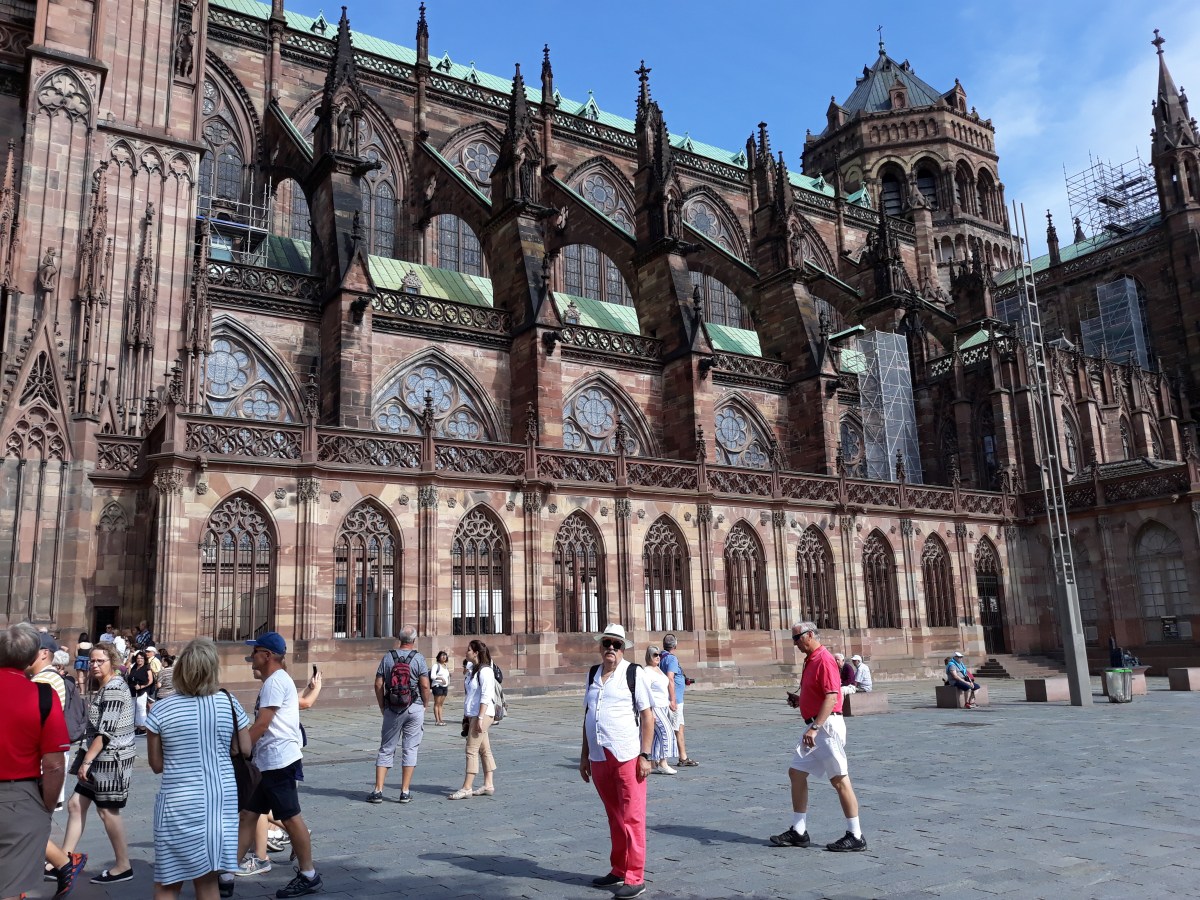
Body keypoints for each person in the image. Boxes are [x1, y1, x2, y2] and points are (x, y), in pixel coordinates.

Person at [146, 638, 252, 900]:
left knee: (168, 884)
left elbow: (156, 765)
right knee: (207, 881)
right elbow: (246, 748)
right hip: (218, 802)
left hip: (179, 802)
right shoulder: (228, 702)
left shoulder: (161, 709)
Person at [236, 631, 322, 897]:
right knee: (249, 814)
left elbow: (262, 724)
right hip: (267, 761)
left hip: (278, 760)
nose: (251, 656)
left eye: (255, 652)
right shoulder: (277, 680)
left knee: (291, 817)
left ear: (267, 655)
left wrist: (240, 750)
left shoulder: (275, 682)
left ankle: (309, 875)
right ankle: (226, 871)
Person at [770, 621, 867, 853]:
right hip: (816, 726)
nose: (795, 643)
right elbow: (819, 694)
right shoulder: (810, 659)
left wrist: (815, 727)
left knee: (839, 779)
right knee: (796, 772)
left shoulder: (824, 659)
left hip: (825, 727)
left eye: (797, 638)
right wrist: (801, 701)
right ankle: (799, 830)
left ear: (810, 635)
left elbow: (832, 696)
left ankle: (856, 835)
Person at [580, 624, 655, 900]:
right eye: (607, 643)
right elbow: (588, 715)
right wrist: (584, 755)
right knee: (614, 815)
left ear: (623, 648)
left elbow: (647, 716)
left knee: (632, 816)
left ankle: (635, 877)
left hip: (627, 755)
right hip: (599, 755)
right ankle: (619, 868)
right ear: (600, 646)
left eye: (617, 644)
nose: (611, 648)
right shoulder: (593, 673)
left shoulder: (634, 673)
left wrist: (645, 755)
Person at [0, 623, 70, 900]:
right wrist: (46, 808)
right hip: (18, 797)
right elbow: (54, 765)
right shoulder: (43, 696)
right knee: (10, 888)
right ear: (32, 658)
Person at [62, 641, 137, 883]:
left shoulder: (114, 688)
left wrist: (86, 761)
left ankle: (123, 866)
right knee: (76, 804)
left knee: (107, 811)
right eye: (92, 661)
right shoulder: (106, 685)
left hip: (111, 760)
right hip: (99, 758)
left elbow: (106, 732)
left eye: (100, 661)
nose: (94, 665)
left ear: (112, 662)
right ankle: (63, 861)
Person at [367, 625, 431, 805]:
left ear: (399, 638)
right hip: (414, 706)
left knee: (386, 748)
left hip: (393, 708)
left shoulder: (388, 657)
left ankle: (378, 791)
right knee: (410, 748)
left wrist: (382, 705)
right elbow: (425, 685)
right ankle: (405, 791)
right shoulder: (419, 658)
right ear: (414, 640)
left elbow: (378, 684)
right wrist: (425, 704)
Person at [448, 639, 498, 800]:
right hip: (474, 713)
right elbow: (470, 695)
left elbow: (486, 695)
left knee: (471, 749)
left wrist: (480, 718)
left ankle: (467, 787)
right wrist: (467, 716)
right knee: (484, 749)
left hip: (482, 714)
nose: (466, 652)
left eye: (469, 650)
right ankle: (488, 784)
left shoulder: (485, 671)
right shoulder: (473, 670)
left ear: (476, 653)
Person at [658, 634, 697, 767]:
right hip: (674, 700)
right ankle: (661, 760)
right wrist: (673, 699)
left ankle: (683, 757)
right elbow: (670, 678)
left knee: (679, 727)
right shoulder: (671, 659)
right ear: (675, 645)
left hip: (672, 698)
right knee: (671, 729)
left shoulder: (661, 657)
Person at [642, 645, 678, 775]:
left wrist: (670, 700)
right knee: (667, 732)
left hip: (664, 705)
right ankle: (663, 763)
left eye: (659, 655)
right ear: (649, 656)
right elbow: (645, 692)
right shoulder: (646, 671)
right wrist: (650, 711)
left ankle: (653, 763)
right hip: (655, 707)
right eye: (655, 655)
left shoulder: (658, 669)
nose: (658, 657)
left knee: (657, 737)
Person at [126, 651, 155, 734]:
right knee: (133, 708)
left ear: (144, 659)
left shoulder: (147, 667)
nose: (139, 660)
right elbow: (130, 677)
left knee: (141, 708)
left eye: (141, 658)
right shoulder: (134, 667)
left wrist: (141, 686)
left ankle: (142, 727)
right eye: (138, 658)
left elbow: (150, 680)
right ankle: (135, 726)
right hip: (133, 690)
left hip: (142, 690)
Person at [430, 650, 451, 726]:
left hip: (445, 687)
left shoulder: (445, 666)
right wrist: (440, 678)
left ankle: (441, 719)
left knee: (441, 704)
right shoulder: (436, 666)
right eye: (442, 655)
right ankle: (437, 720)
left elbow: (448, 676)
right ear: (439, 657)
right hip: (437, 686)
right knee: (437, 703)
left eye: (445, 655)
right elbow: (432, 676)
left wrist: (448, 683)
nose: (444, 657)